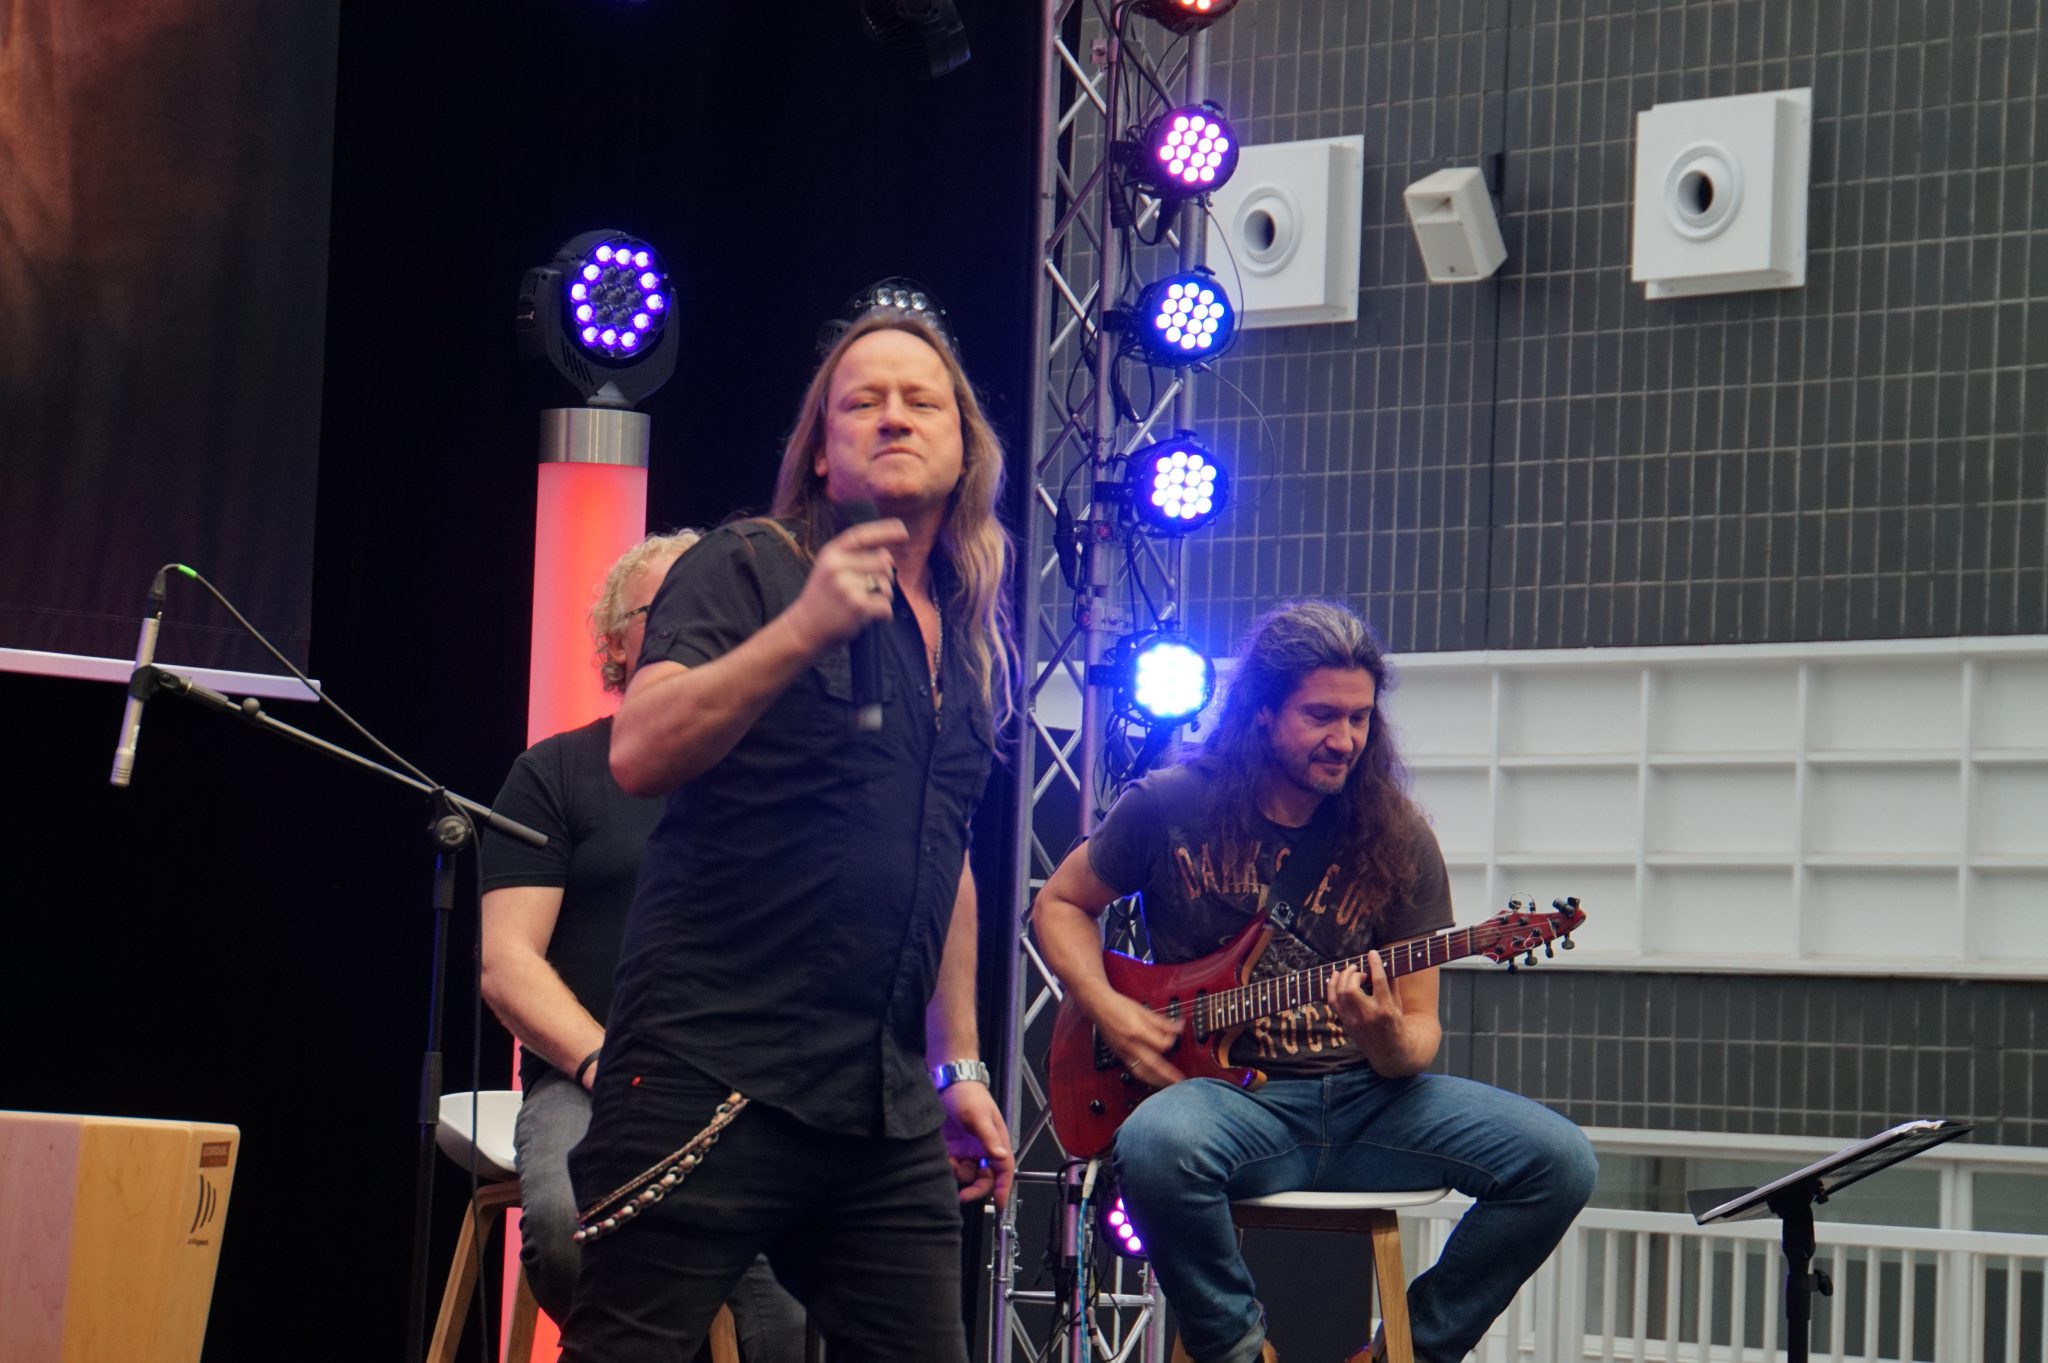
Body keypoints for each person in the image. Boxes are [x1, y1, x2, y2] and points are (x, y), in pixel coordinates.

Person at [560, 312, 1017, 1363]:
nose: (894, 417)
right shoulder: (749, 566)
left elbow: (941, 857)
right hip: (709, 1068)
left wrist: (957, 1064)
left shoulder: (968, 634)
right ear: (820, 450)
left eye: (922, 401)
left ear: (964, 448)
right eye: (863, 402)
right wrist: (803, 628)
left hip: (877, 1103)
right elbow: (640, 748)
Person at [1033, 601, 1597, 1363]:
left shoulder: (1397, 833)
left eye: (1361, 718)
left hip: (1368, 1103)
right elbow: (1060, 903)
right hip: (1231, 1104)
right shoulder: (1169, 804)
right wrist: (1107, 1007)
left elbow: (1419, 1034)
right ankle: (1238, 1349)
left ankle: (1407, 1351)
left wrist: (1386, 1037)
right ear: (1262, 712)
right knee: (1155, 1143)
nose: (1345, 739)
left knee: (1559, 1161)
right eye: (1322, 715)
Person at [480, 529, 806, 1360]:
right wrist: (604, 1062)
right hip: (587, 1081)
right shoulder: (554, 773)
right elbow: (507, 963)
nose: (691, 630)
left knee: (801, 1294)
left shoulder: (777, 784)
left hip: (742, 1092)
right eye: (664, 613)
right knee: (568, 1229)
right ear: (616, 641)